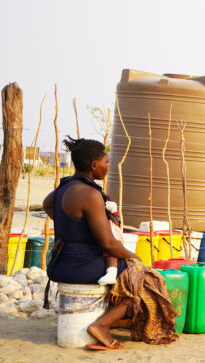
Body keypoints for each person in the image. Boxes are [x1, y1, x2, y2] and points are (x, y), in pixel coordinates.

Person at [43, 137, 177, 350]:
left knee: (128, 271)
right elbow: (108, 244)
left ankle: (110, 320)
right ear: (93, 165)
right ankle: (102, 325)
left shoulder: (65, 186)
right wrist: (137, 260)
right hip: (82, 267)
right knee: (142, 276)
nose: (108, 166)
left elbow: (47, 204)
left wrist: (74, 225)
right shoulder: (89, 193)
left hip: (59, 264)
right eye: (106, 162)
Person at [98, 200, 124, 285]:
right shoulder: (113, 217)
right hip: (112, 238)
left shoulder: (109, 216)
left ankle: (111, 274)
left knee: (110, 257)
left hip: (112, 240)